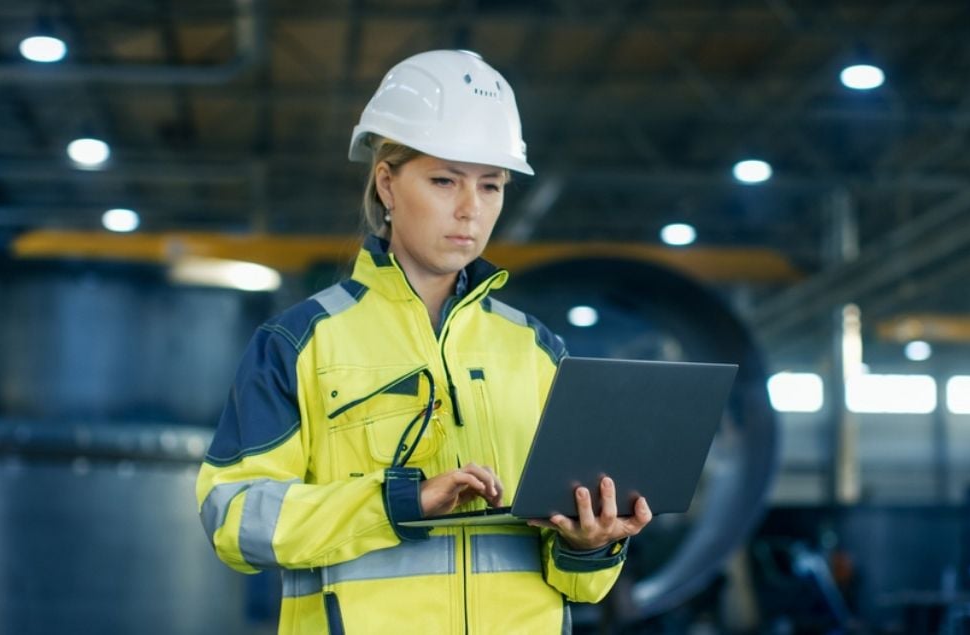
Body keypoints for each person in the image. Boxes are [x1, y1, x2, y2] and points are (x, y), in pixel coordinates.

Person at [195, 49, 653, 634]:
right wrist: (396, 502)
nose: (470, 210)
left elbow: (580, 587)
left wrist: (591, 545)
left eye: (492, 186)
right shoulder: (297, 344)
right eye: (444, 180)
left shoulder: (538, 351)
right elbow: (232, 519)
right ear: (387, 183)